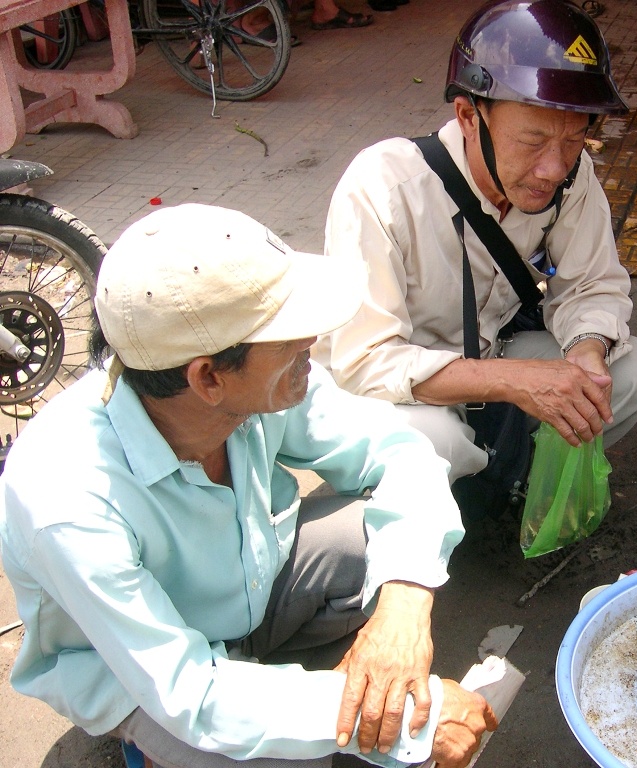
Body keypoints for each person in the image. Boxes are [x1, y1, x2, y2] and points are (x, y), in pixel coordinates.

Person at [0, 204, 496, 768]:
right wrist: (414, 720)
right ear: (208, 376)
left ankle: (280, 682)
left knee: (381, 541)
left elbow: (397, 452)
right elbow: (192, 694)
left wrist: (404, 602)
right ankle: (159, 737)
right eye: (287, 339)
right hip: (139, 670)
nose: (311, 342)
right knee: (278, 757)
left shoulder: (256, 389)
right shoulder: (67, 497)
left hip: (252, 591)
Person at [314, 0, 637, 493]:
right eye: (533, 140)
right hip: (400, 395)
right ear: (469, 115)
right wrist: (513, 380)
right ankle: (421, 525)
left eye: (574, 139)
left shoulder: (571, 178)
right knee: (436, 441)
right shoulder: (383, 187)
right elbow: (363, 361)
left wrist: (587, 351)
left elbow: (592, 284)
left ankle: (521, 484)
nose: (554, 168)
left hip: (496, 353)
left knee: (633, 370)